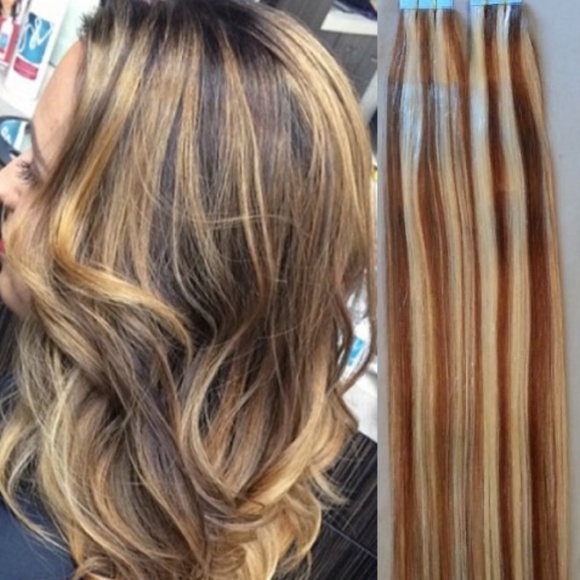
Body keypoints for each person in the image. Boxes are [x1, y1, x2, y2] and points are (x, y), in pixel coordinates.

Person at [0, 0, 376, 578]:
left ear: (136, 272)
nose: (6, 183)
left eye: (36, 172)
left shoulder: (26, 551)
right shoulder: (216, 477)